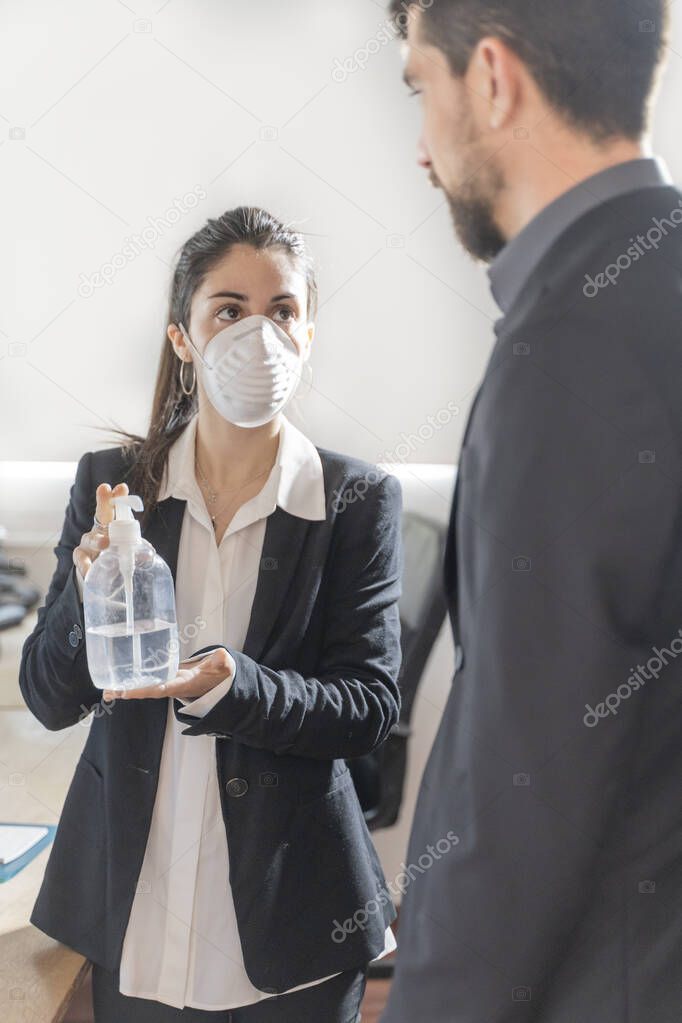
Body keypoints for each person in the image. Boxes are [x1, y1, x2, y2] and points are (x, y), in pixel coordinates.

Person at [19, 206, 403, 1023]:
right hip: (135, 908)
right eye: (229, 310)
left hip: (292, 919)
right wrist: (91, 603)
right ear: (183, 339)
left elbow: (368, 708)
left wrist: (236, 687)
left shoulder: (355, 500)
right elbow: (51, 699)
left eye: (282, 311)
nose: (257, 335)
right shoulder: (115, 484)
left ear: (307, 335)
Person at [380, 2, 682, 1021]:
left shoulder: (566, 355)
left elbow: (521, 802)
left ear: (494, 79)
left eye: (422, 85)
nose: (421, 146)